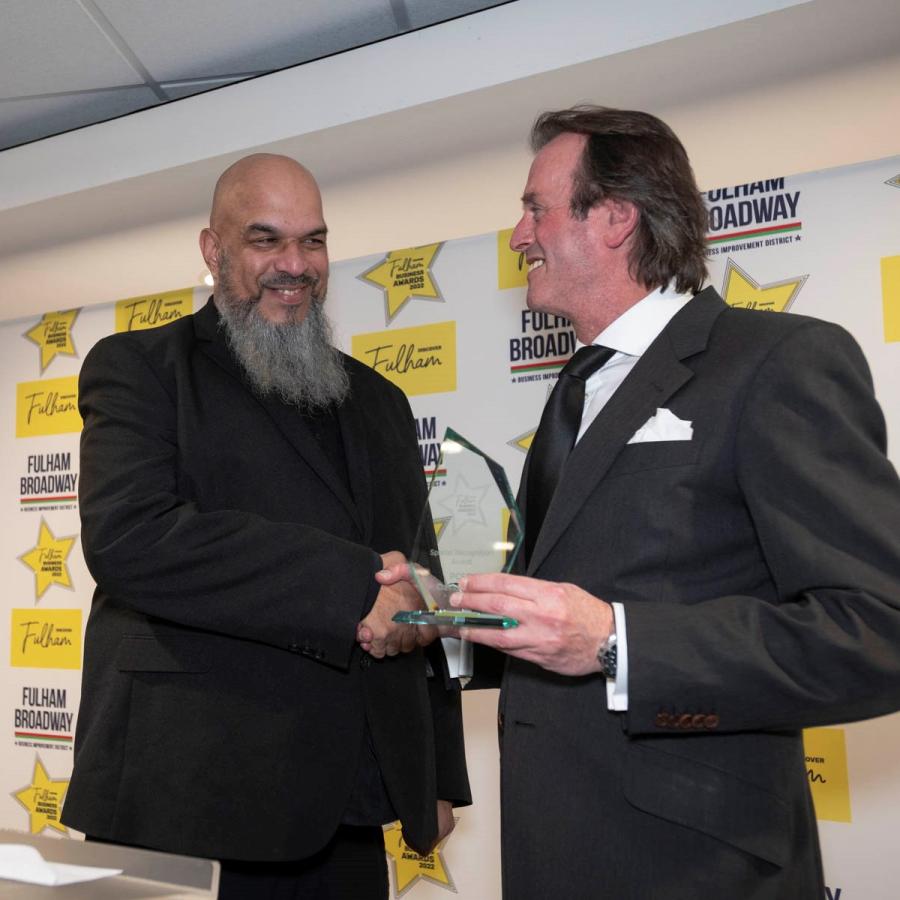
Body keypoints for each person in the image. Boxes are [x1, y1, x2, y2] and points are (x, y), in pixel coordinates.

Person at [382, 106, 900, 898]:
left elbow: (877, 630)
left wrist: (617, 641)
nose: (518, 236)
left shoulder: (775, 364)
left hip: (694, 868)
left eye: (535, 209)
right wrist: (444, 618)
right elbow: (561, 622)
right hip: (554, 856)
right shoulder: (577, 392)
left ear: (616, 218)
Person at [62, 153, 470, 900]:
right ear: (213, 251)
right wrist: (350, 586)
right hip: (185, 802)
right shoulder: (140, 367)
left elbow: (417, 577)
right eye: (265, 240)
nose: (295, 264)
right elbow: (131, 539)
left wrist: (438, 775)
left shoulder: (380, 401)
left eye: (313, 241)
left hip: (350, 805)